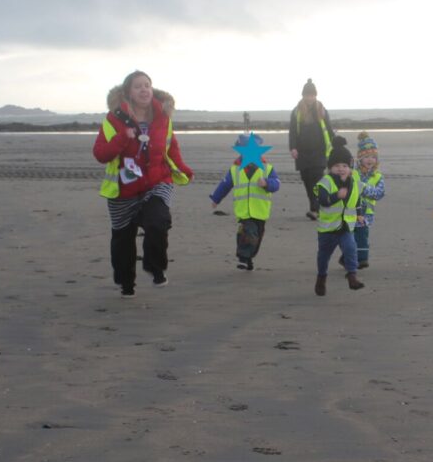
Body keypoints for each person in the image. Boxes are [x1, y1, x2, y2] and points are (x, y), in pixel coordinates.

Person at [92, 70, 193, 296]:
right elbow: (100, 154)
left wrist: (183, 168)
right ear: (128, 92)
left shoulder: (163, 117)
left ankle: (155, 268)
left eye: (147, 85)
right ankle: (126, 283)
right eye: (138, 86)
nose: (144, 90)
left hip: (156, 181)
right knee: (122, 239)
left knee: (159, 221)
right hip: (123, 189)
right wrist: (122, 137)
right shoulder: (114, 119)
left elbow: (171, 147)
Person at [209, 133, 280, 270]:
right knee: (247, 233)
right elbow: (225, 184)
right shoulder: (235, 169)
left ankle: (249, 259)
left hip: (260, 211)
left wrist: (267, 183)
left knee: (256, 238)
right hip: (243, 211)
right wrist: (216, 198)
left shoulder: (267, 168)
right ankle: (242, 258)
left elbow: (277, 184)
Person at [313, 136, 364, 296]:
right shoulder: (325, 182)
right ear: (330, 168)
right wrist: (336, 196)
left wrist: (359, 214)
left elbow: (357, 199)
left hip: (346, 226)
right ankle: (321, 278)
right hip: (327, 229)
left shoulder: (353, 181)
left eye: (344, 166)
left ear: (349, 167)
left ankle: (352, 276)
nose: (341, 169)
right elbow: (323, 201)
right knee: (323, 256)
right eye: (336, 166)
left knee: (350, 248)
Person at [289, 78, 335, 220]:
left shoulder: (321, 110)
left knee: (317, 180)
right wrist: (293, 148)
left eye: (312, 95)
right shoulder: (296, 111)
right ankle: (315, 207)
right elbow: (292, 132)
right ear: (303, 95)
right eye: (307, 95)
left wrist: (336, 145)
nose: (309, 98)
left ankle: (315, 209)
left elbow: (329, 129)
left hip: (319, 151)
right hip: (302, 153)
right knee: (307, 181)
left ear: (315, 95)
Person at [353, 131, 386, 269]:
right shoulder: (353, 173)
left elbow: (380, 193)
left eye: (373, 157)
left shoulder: (378, 176)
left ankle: (361, 259)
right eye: (366, 156)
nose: (370, 160)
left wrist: (364, 188)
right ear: (360, 158)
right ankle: (349, 258)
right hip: (351, 211)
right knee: (350, 237)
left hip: (367, 214)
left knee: (362, 235)